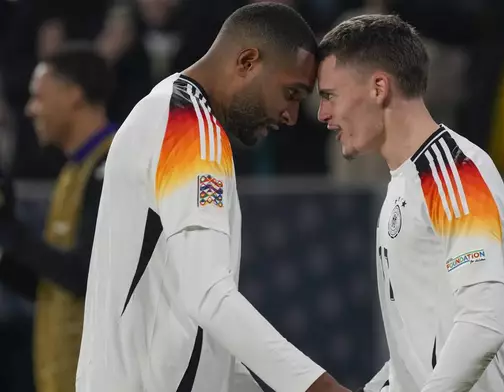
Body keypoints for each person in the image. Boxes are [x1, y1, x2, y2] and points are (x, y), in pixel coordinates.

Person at [76, 3, 349, 392]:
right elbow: (209, 296)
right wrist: (321, 388)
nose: (291, 115)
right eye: (292, 93)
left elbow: (201, 330)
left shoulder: (168, 110)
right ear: (248, 61)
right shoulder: (190, 128)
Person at [317, 15, 504, 392]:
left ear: (379, 87)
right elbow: (419, 349)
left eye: (330, 95)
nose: (323, 115)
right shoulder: (407, 182)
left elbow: (482, 323)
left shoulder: (453, 173)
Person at [0, 44, 116, 392]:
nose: (31, 109)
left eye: (39, 96)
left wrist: (10, 229)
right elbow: (54, 289)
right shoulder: (72, 173)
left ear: (73, 95)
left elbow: (86, 277)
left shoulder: (115, 166)